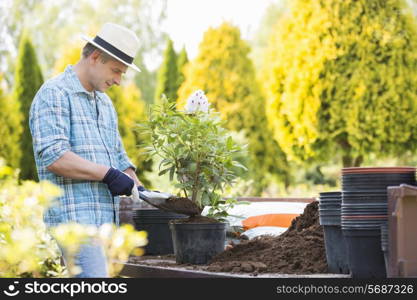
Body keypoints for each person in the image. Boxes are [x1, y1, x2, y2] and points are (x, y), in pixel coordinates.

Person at [29, 23, 144, 277]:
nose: (118, 80)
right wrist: (108, 174)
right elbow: (54, 156)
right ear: (94, 57)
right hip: (75, 224)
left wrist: (136, 183)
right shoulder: (55, 93)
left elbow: (118, 156)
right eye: (116, 70)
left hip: (106, 225)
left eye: (122, 73)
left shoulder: (104, 102)